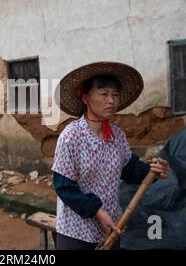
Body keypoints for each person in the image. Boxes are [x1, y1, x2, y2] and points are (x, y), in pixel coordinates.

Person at [52, 61, 170, 250]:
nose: (111, 100)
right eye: (104, 94)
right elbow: (64, 187)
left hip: (112, 227)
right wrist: (97, 211)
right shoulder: (71, 136)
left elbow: (130, 169)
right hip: (76, 231)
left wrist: (152, 170)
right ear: (86, 99)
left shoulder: (116, 136)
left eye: (115, 95)